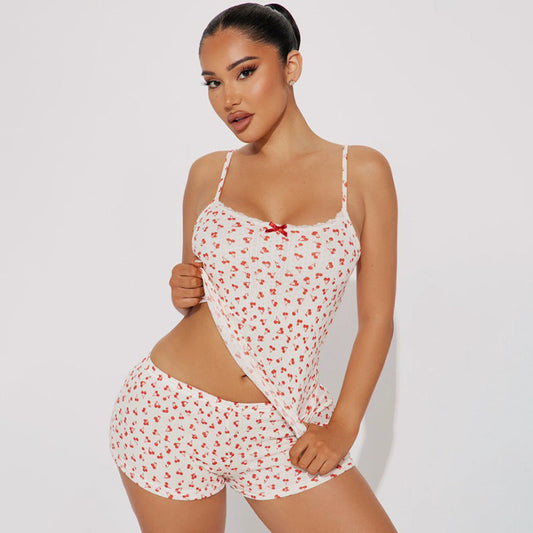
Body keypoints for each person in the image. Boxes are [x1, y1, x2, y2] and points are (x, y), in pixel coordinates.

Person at [108, 3, 398, 531]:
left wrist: (343, 426)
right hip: (168, 414)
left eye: (245, 72)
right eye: (213, 83)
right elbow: (199, 294)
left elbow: (377, 319)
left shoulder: (361, 172)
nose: (229, 99)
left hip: (282, 426)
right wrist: (181, 288)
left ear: (291, 66)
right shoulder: (208, 174)